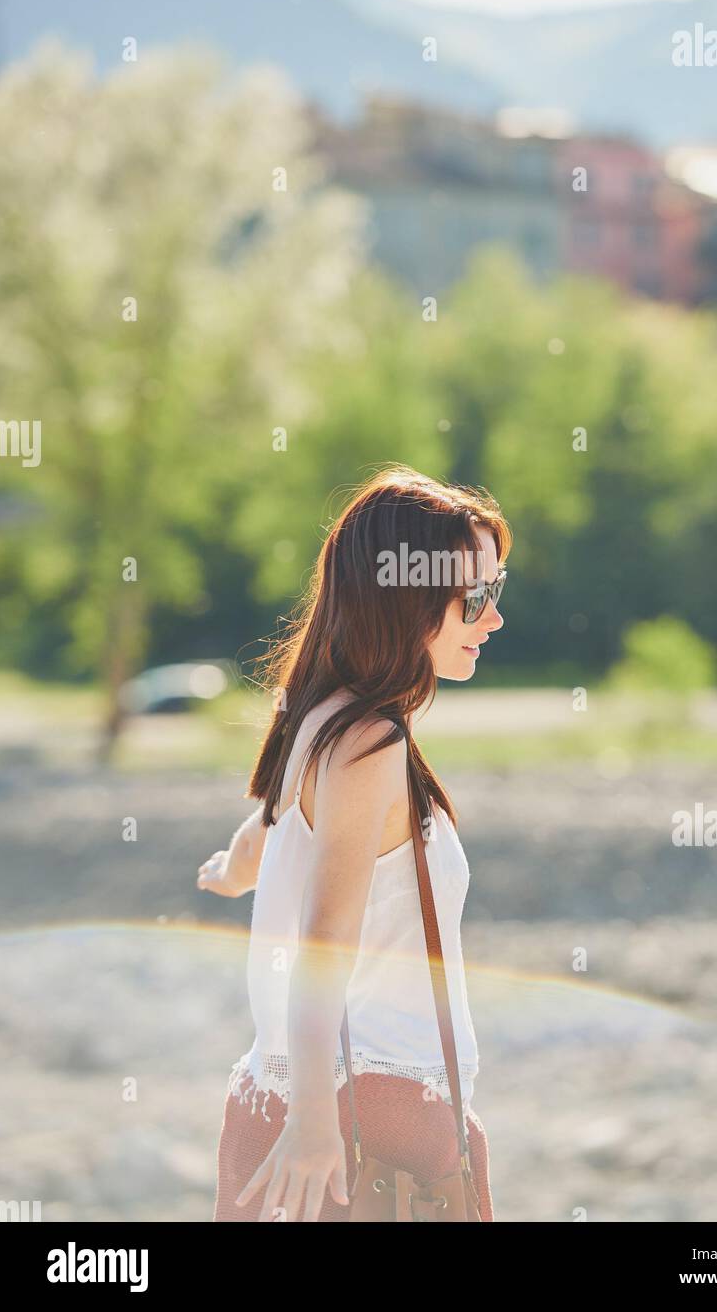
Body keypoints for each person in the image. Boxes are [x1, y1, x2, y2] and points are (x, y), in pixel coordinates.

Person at [198, 464, 511, 1221]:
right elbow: (324, 938)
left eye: (496, 591)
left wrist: (233, 872)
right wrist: (314, 1124)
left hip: (274, 1106)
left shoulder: (317, 720)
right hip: (367, 1129)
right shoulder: (371, 742)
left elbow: (268, 834)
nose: (494, 619)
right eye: (475, 598)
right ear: (404, 599)